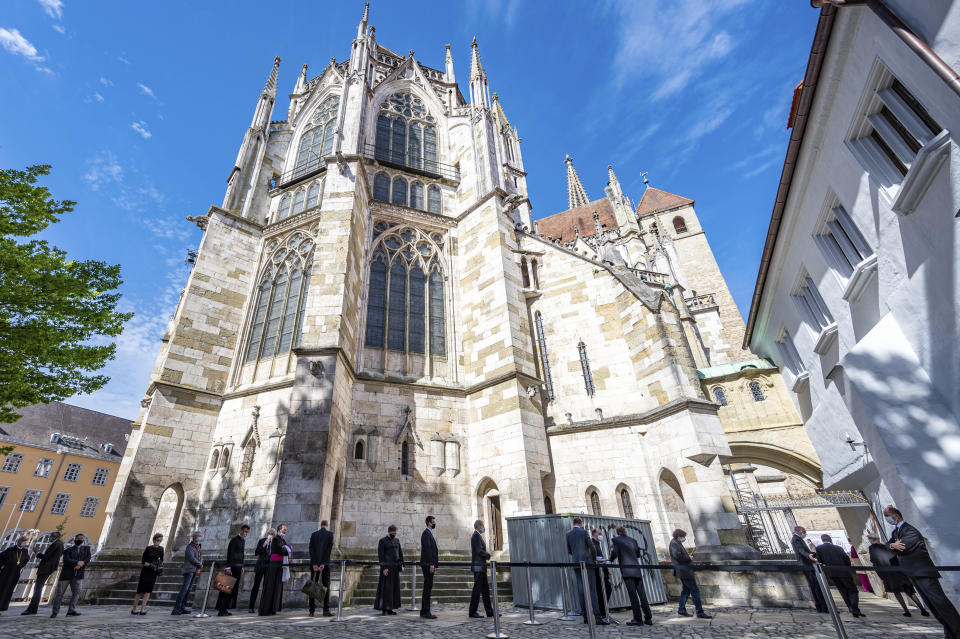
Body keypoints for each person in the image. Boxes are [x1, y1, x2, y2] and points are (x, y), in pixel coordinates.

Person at [884, 505, 960, 638]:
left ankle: (957, 630)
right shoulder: (896, 533)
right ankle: (949, 631)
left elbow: (903, 547)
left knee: (940, 603)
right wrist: (891, 545)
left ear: (895, 516)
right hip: (913, 573)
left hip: (923, 572)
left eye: (887, 516)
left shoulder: (910, 531)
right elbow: (887, 546)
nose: (887, 519)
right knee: (932, 605)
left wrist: (894, 547)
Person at [866, 533, 928, 617]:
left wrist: (881, 574)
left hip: (888, 573)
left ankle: (906, 611)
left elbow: (874, 560)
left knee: (897, 592)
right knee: (910, 592)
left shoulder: (872, 548)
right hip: (899, 571)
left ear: (872, 539)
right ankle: (922, 609)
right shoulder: (888, 546)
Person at [609, 526, 652, 626]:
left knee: (633, 596)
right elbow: (637, 554)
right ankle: (648, 618)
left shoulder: (616, 540)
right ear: (625, 531)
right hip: (636, 569)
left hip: (627, 570)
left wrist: (610, 559)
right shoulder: (633, 540)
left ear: (617, 532)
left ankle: (638, 619)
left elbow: (615, 552)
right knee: (642, 595)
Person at [566, 517, 606, 625]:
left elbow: (569, 550)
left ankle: (585, 617)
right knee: (592, 590)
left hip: (576, 563)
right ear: (580, 523)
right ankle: (597, 617)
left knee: (581, 590)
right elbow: (592, 547)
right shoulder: (583, 532)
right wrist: (593, 558)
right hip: (587, 563)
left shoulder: (568, 534)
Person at [815, 534, 864, 617]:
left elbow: (820, 560)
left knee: (843, 591)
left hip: (833, 573)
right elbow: (846, 559)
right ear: (830, 540)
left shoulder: (819, 548)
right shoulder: (838, 548)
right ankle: (854, 608)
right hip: (843, 572)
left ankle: (851, 608)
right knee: (853, 591)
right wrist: (847, 567)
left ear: (822, 540)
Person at [669, 529, 711, 619]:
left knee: (686, 590)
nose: (684, 538)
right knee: (695, 591)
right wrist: (688, 557)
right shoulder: (674, 543)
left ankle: (681, 609)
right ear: (679, 536)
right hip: (684, 571)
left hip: (685, 570)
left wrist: (687, 556)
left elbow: (679, 555)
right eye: (683, 537)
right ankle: (700, 612)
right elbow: (678, 556)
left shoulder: (676, 543)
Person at [23, 531, 63, 615]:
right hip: (49, 568)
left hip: (46, 568)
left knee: (38, 588)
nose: (50, 538)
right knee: (38, 587)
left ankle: (32, 609)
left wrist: (37, 552)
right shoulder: (60, 544)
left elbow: (47, 557)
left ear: (54, 537)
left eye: (51, 536)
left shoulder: (56, 544)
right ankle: (32, 608)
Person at [51, 533, 91, 618]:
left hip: (78, 575)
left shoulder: (86, 549)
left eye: (81, 538)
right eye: (77, 538)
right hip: (66, 574)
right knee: (60, 594)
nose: (79, 540)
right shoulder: (68, 550)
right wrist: (76, 563)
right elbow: (66, 560)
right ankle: (55, 612)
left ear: (83, 540)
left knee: (76, 593)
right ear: (74, 539)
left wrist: (81, 563)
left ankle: (71, 610)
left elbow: (88, 558)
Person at [791, 525, 828, 613]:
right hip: (806, 564)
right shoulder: (796, 539)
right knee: (815, 586)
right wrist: (808, 555)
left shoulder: (798, 538)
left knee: (815, 586)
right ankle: (822, 606)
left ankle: (822, 606)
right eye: (803, 531)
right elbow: (800, 550)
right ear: (797, 531)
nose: (804, 533)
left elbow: (803, 550)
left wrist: (812, 554)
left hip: (807, 564)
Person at [216, 524, 249, 616]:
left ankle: (226, 608)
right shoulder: (234, 540)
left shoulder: (243, 541)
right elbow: (230, 554)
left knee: (233, 590)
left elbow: (241, 555)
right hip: (231, 568)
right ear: (241, 530)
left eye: (247, 532)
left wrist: (242, 566)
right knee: (225, 588)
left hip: (238, 567)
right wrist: (228, 567)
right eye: (245, 531)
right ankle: (221, 610)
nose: (246, 533)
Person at [259, 524, 289, 616]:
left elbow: (286, 551)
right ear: (279, 530)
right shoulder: (276, 539)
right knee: (270, 587)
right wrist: (285, 550)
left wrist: (286, 550)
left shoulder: (282, 540)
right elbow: (281, 550)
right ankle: (266, 609)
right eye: (284, 529)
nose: (285, 531)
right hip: (274, 565)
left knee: (277, 587)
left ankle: (273, 608)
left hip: (279, 565)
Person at [132, 532, 164, 615]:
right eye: (157, 540)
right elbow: (143, 561)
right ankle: (134, 609)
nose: (158, 542)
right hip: (146, 571)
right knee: (140, 591)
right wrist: (150, 565)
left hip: (153, 572)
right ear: (154, 540)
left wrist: (159, 567)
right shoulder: (148, 548)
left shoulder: (161, 549)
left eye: (160, 540)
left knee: (148, 591)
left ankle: (142, 609)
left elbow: (162, 560)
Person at [374, 524, 403, 615]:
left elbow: (400, 553)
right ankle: (385, 608)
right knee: (386, 589)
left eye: (395, 532)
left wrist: (402, 565)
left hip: (395, 569)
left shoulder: (397, 540)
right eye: (393, 532)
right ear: (389, 531)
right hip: (387, 569)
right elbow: (381, 555)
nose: (395, 533)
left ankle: (391, 608)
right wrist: (384, 568)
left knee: (394, 589)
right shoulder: (382, 541)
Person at [172, 530, 203, 615]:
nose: (200, 537)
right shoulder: (190, 546)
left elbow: (200, 556)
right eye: (198, 536)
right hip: (189, 570)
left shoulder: (198, 546)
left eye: (200, 536)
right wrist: (199, 564)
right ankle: (176, 609)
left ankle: (182, 608)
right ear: (194, 537)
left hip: (194, 570)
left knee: (188, 590)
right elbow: (191, 558)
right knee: (184, 589)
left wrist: (199, 566)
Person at [469, 519, 494, 619]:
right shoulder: (475, 536)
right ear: (478, 526)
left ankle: (489, 611)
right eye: (483, 525)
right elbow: (479, 551)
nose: (484, 527)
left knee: (485, 591)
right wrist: (488, 555)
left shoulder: (478, 536)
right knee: (477, 590)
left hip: (481, 567)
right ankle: (472, 611)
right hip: (478, 567)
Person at [308, 520, 333, 617]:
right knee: (326, 586)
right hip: (325, 565)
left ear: (321, 525)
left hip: (314, 564)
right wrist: (323, 563)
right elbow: (328, 550)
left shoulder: (314, 534)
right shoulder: (330, 534)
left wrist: (314, 563)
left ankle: (311, 611)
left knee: (312, 586)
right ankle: (326, 610)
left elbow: (311, 549)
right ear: (327, 525)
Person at [0, 536, 30, 614]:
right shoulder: (10, 550)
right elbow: (1, 557)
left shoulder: (25, 551)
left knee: (9, 590)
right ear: (19, 541)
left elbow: (26, 560)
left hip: (15, 573)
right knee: (2, 589)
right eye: (24, 541)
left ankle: (2, 607)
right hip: (6, 573)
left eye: (26, 541)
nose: (25, 542)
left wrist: (19, 566)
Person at [248, 528, 275, 613]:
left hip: (269, 567)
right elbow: (256, 552)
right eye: (269, 533)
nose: (270, 535)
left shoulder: (275, 543)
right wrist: (264, 545)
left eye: (272, 534)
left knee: (266, 587)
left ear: (274, 535)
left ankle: (264, 607)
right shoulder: (262, 540)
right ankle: (251, 607)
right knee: (256, 586)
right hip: (260, 566)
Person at [590, 528, 612, 619]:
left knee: (606, 590)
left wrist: (606, 570)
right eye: (599, 533)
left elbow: (601, 558)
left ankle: (603, 610)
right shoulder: (592, 544)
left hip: (602, 571)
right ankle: (601, 611)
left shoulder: (597, 544)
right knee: (603, 590)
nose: (601, 535)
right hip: (597, 572)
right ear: (594, 534)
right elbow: (597, 559)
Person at [419, 515, 438, 620]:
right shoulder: (426, 534)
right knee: (427, 588)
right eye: (433, 521)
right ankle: (426, 611)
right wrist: (431, 564)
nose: (435, 523)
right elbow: (427, 550)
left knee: (428, 587)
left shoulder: (429, 534)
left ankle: (424, 610)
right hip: (427, 565)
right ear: (429, 523)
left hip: (429, 564)